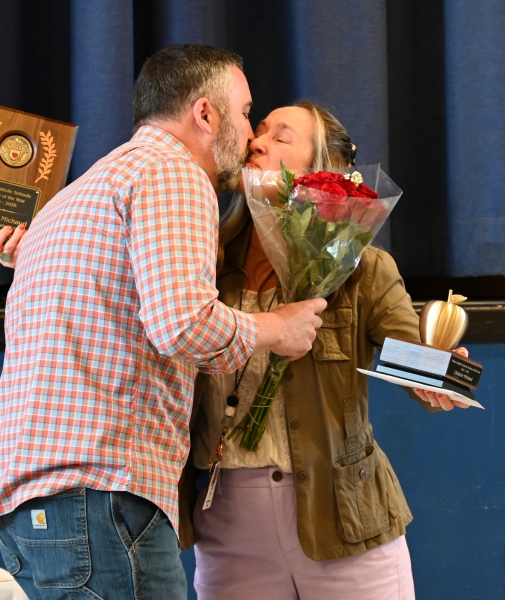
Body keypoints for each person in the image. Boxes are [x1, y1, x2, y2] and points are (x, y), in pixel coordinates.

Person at [0, 45, 327, 600]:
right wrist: (276, 329)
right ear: (205, 114)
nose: (249, 132)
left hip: (36, 504)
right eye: (243, 113)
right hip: (101, 493)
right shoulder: (174, 173)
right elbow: (182, 325)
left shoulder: (80, 191)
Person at [173, 101, 469, 600]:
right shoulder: (201, 261)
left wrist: (440, 375)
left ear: (319, 171)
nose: (257, 142)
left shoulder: (364, 267)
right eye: (258, 131)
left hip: (345, 519)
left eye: (281, 137)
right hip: (226, 526)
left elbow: (409, 355)